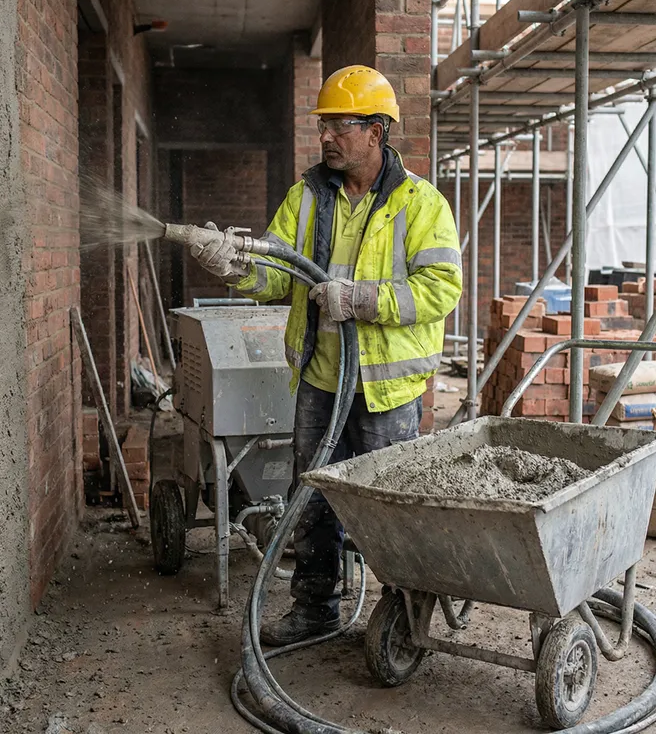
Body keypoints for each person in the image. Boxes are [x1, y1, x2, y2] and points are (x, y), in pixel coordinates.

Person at [191, 65, 462, 645]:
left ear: (376, 131)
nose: (328, 136)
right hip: (321, 377)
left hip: (386, 389)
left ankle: (406, 617)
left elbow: (443, 288)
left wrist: (364, 299)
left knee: (389, 508)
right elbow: (277, 273)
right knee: (311, 496)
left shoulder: (421, 205)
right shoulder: (308, 196)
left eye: (342, 124)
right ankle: (316, 609)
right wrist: (234, 264)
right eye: (325, 125)